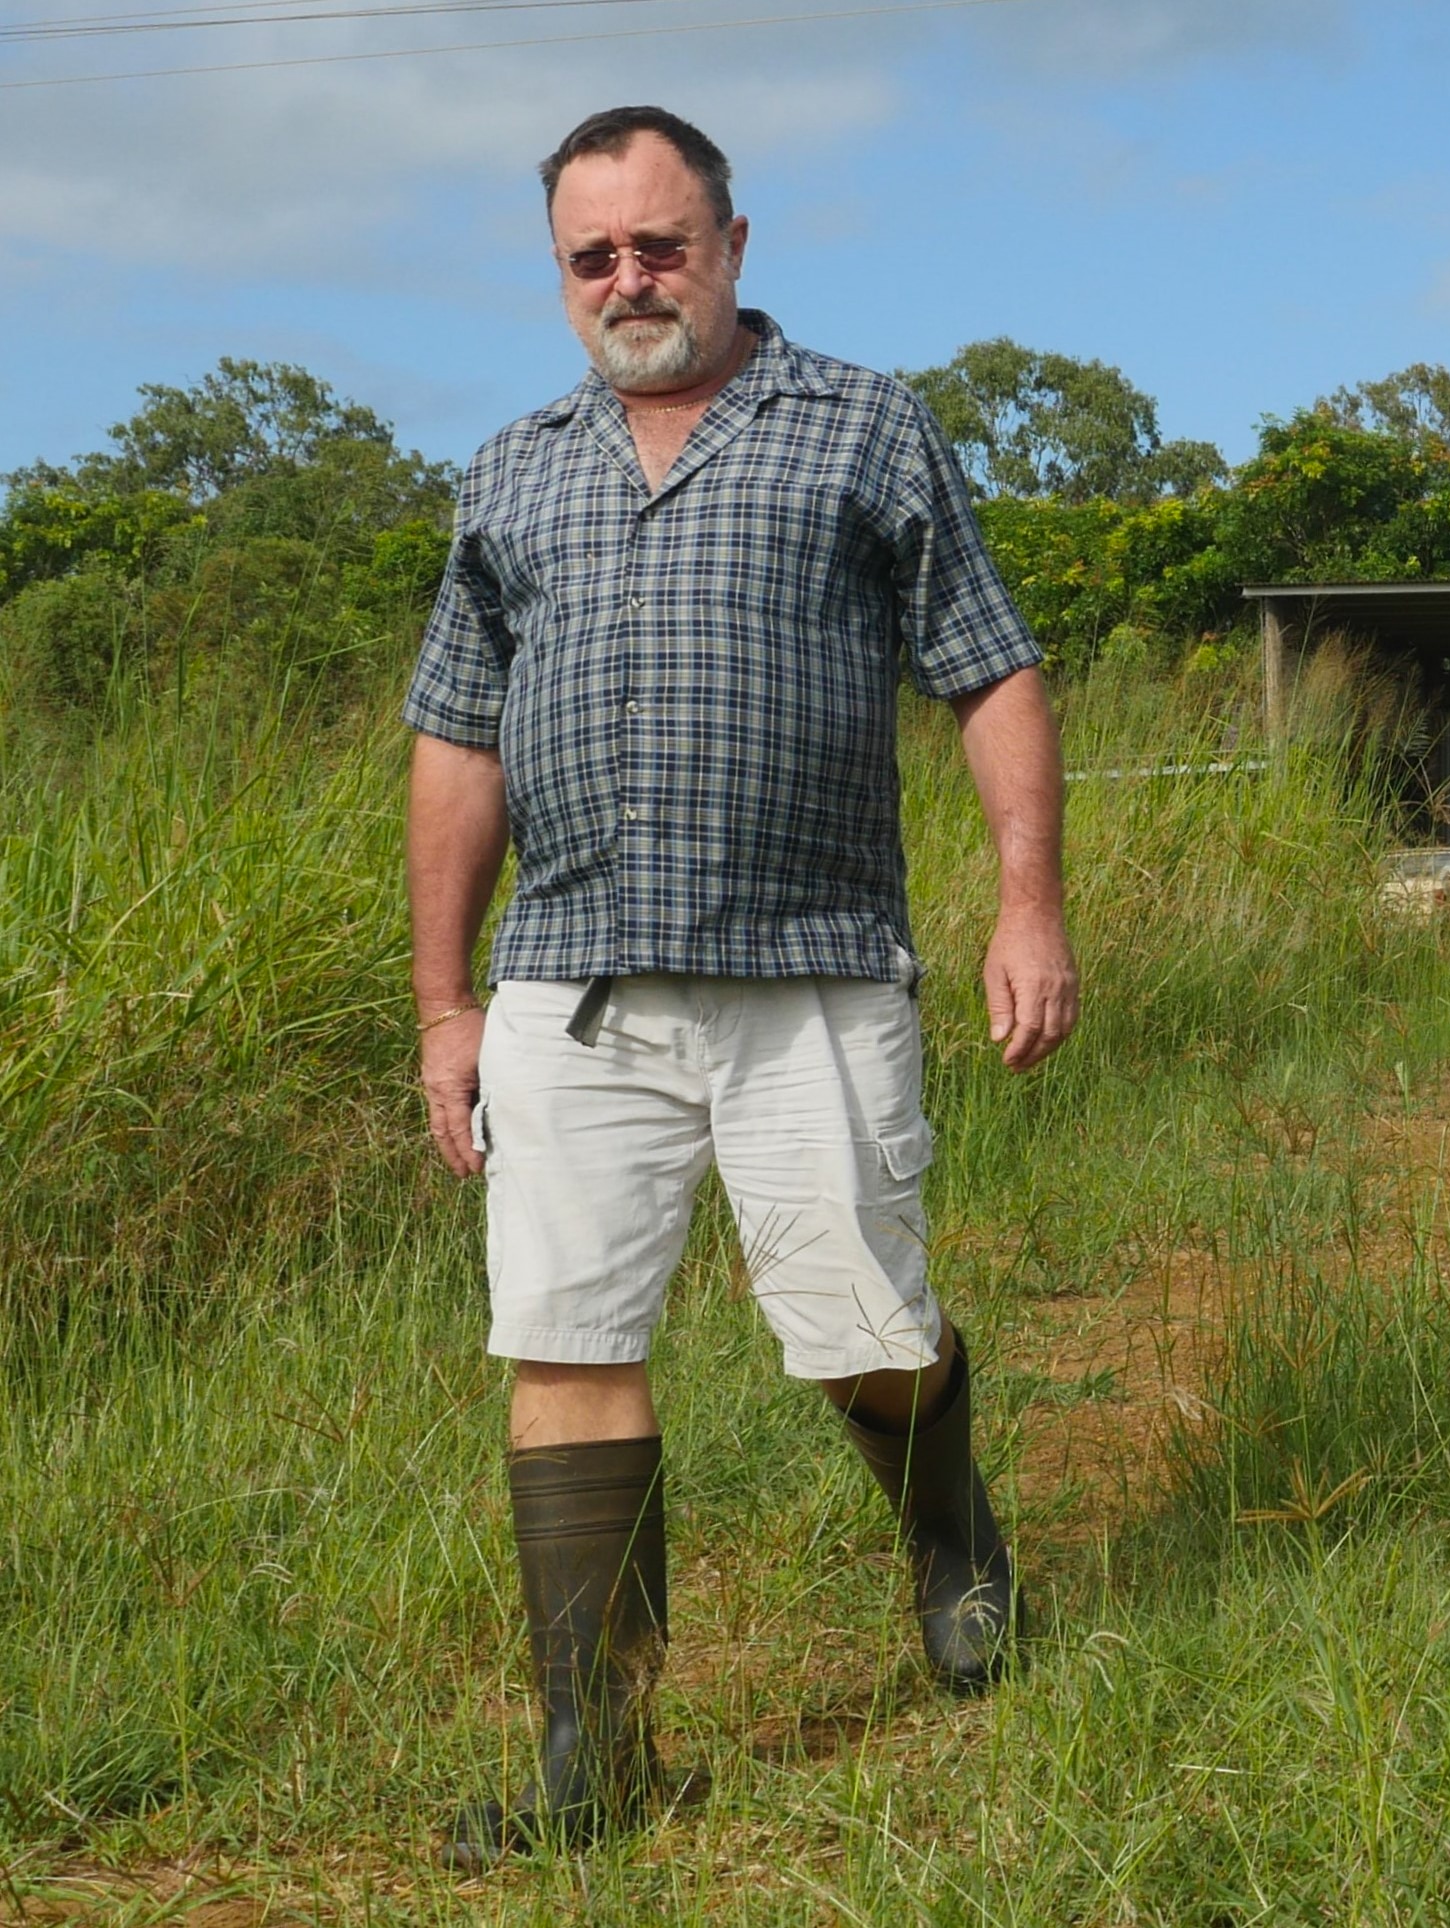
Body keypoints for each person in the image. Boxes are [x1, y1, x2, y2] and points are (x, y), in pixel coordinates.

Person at [403, 104, 1077, 1870]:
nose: (633, 279)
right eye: (594, 256)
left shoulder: (864, 427)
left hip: (816, 970)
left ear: (734, 244)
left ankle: (950, 1531)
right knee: (564, 1337)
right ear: (562, 276)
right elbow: (455, 745)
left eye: (663, 243)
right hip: (573, 983)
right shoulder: (513, 470)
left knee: (862, 1332)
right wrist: (444, 1003)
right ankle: (594, 1748)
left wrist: (1028, 904)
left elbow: (991, 675)